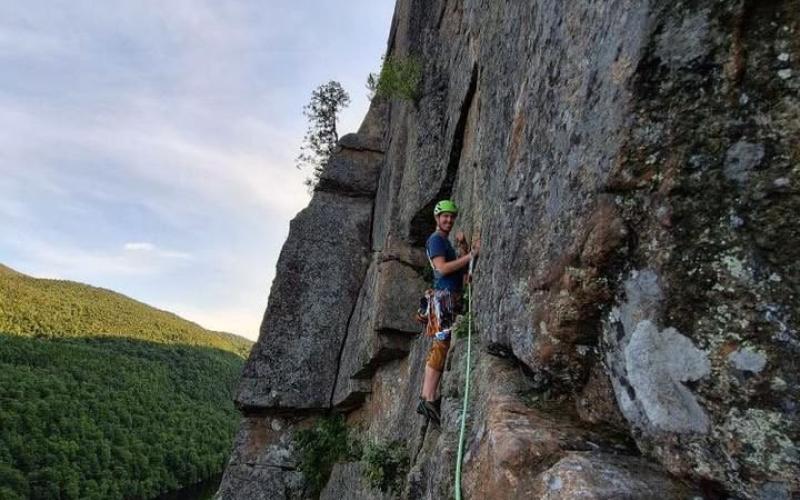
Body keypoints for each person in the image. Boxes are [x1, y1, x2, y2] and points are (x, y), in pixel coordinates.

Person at [416, 199, 480, 426]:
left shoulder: (445, 241)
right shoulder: (435, 240)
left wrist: (463, 248)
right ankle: (428, 397)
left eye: (452, 217)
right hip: (442, 300)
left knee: (441, 345)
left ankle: (428, 397)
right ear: (437, 218)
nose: (449, 220)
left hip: (448, 299)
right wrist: (470, 255)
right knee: (441, 344)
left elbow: (460, 270)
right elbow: (442, 268)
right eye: (445, 216)